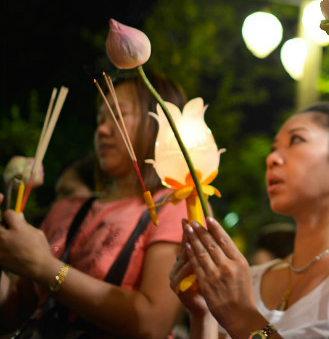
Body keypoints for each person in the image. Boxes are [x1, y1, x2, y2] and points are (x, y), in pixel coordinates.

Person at [170, 102, 329, 339]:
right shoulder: (251, 279)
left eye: (296, 140)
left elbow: (244, 322)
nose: (273, 159)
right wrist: (203, 315)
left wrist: (242, 315)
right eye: (273, 149)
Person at [0, 72, 190, 338]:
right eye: (100, 118)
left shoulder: (174, 204)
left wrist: (45, 267)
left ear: (158, 124)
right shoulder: (67, 208)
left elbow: (153, 322)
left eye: (118, 116)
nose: (101, 129)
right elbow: (11, 313)